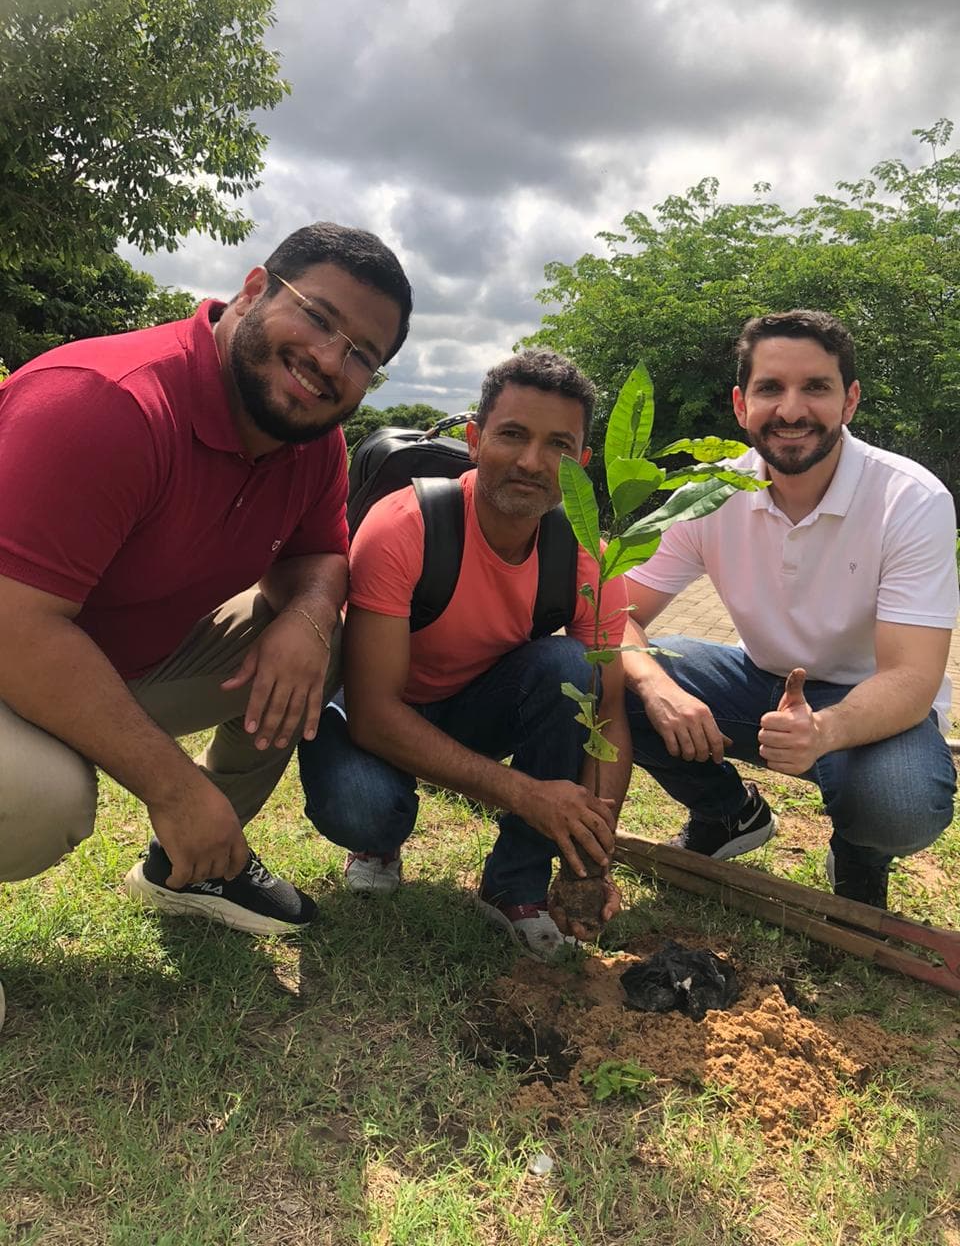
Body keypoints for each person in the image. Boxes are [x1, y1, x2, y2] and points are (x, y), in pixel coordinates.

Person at [0, 223, 413, 1031]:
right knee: (40, 798)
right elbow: (15, 625)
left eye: (363, 354)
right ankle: (193, 819)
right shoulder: (107, 402)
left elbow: (323, 554)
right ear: (254, 290)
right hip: (16, 645)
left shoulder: (312, 442)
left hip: (117, 658)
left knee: (324, 642)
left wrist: (307, 615)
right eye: (319, 318)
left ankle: (191, 869)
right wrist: (174, 788)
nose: (330, 361)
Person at [298, 350, 632, 958]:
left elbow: (607, 713)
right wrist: (525, 793)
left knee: (571, 668)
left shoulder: (589, 558)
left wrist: (588, 858)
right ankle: (378, 844)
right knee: (364, 810)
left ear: (581, 465)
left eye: (558, 445)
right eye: (513, 435)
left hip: (477, 705)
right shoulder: (404, 526)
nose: (531, 461)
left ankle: (514, 885)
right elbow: (373, 712)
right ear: (475, 440)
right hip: (379, 707)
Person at [622, 309, 958, 910]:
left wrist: (824, 731)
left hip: (870, 703)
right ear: (740, 404)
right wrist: (655, 686)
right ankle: (729, 813)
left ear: (850, 400)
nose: (792, 410)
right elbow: (612, 615)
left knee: (902, 803)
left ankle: (859, 855)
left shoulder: (909, 499)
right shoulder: (710, 494)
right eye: (771, 388)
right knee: (610, 678)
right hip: (757, 680)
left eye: (816, 387)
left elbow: (912, 678)